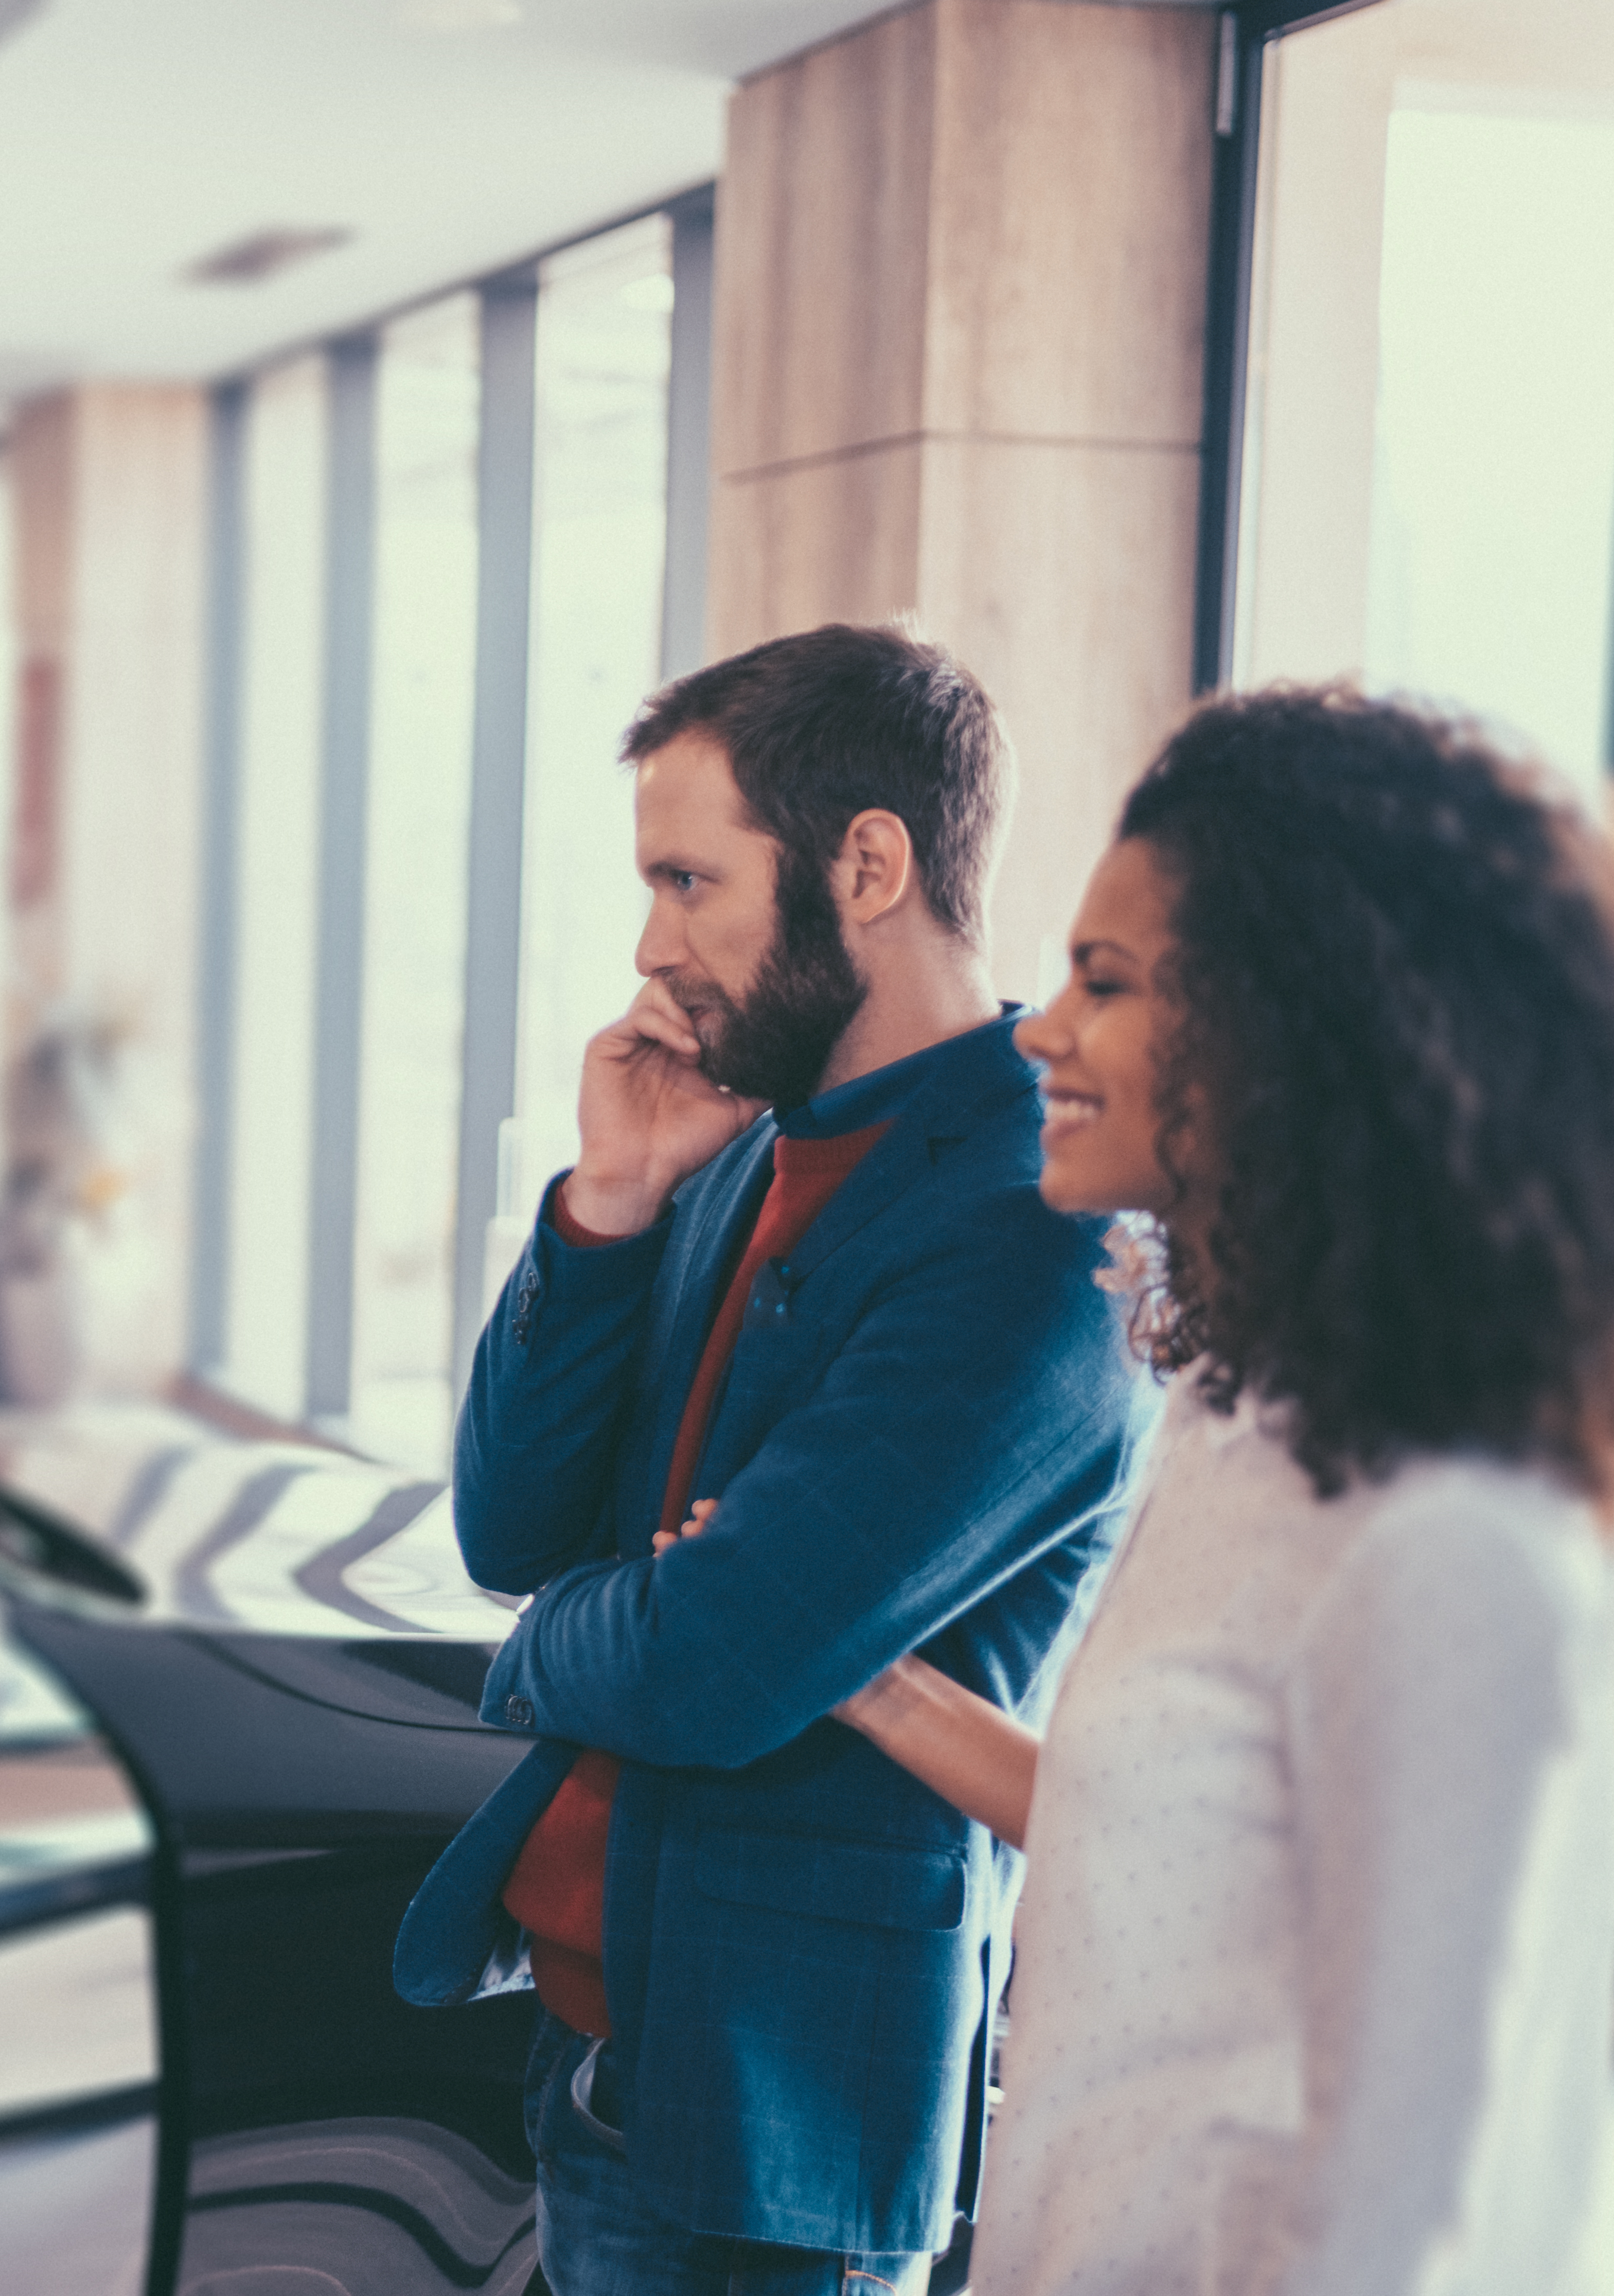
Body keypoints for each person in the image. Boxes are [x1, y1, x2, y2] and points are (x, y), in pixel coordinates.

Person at [761, 687, 1614, 2293]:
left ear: (1297, 1034)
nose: (1037, 1029)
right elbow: (1172, 1834)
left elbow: (1414, 2217)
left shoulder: (1451, 1547)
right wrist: (874, 1688)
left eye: (1109, 982)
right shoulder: (1233, 1423)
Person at [392, 623, 1144, 2293]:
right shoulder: (733, 1148)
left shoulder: (1031, 1224)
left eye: (688, 882)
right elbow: (512, 1525)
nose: (651, 947)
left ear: (864, 863)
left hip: (780, 2113)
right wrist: (608, 1209)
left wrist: (552, 1648)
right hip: (606, 2046)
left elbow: (715, 1664)